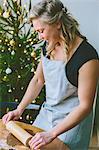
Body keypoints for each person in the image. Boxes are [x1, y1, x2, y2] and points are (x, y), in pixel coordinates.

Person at [2, 0, 99, 149]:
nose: (40, 37)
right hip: (48, 115)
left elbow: (85, 106)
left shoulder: (87, 57)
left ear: (58, 23)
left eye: (41, 31)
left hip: (71, 124)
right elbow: (38, 80)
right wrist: (19, 109)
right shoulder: (48, 46)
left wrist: (51, 134)